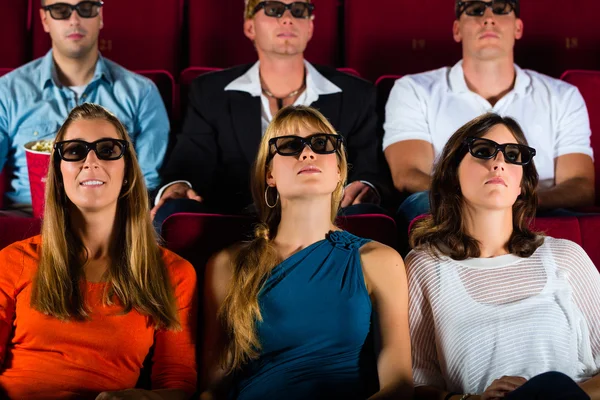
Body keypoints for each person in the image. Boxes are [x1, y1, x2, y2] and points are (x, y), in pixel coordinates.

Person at [200, 106, 412, 399]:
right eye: (289, 146)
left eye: (321, 144)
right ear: (269, 174)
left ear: (339, 171)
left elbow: (398, 385)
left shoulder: (379, 260)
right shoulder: (228, 264)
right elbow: (213, 388)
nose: (307, 153)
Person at [0, 104, 196, 399]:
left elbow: (178, 384)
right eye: (75, 151)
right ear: (58, 170)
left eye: (107, 150)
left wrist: (139, 398)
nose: (90, 161)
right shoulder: (13, 260)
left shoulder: (173, 273)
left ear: (128, 169)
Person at [407, 113, 600, 400]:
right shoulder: (424, 266)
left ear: (523, 183)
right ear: (452, 173)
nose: (498, 163)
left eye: (513, 155)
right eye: (483, 151)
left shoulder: (565, 256)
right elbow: (415, 383)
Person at [152, 0, 385, 227]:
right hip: (234, 223)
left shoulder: (357, 94)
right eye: (273, 9)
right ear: (250, 26)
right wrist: (178, 186)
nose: (287, 18)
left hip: (326, 221)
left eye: (298, 9)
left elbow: (369, 169)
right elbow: (190, 161)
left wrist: (365, 186)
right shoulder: (209, 92)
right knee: (175, 209)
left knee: (366, 211)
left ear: (310, 27)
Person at [383, 0, 595, 224]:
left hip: (537, 210)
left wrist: (518, 199)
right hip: (452, 210)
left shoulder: (562, 95)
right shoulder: (414, 89)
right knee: (422, 203)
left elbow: (580, 183)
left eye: (501, 8)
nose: (488, 17)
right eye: (475, 9)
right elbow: (408, 174)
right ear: (457, 29)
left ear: (518, 28)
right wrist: (479, 198)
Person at [0, 0, 169, 214]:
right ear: (45, 19)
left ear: (100, 15)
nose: (74, 20)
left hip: (114, 223)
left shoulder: (142, 92)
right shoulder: (7, 91)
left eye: (86, 8)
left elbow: (146, 181)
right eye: (61, 10)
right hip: (28, 218)